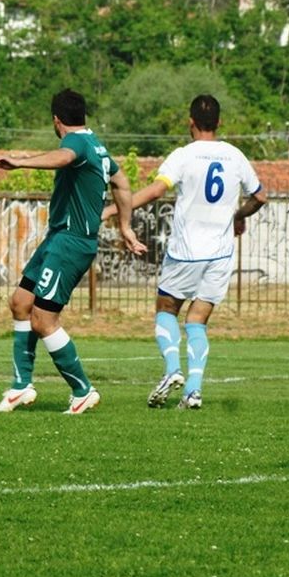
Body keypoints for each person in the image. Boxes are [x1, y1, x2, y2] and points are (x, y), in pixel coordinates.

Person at [102, 94, 268, 410]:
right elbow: (260, 197)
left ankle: (172, 370)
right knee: (197, 321)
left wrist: (114, 209)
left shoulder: (184, 155)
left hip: (186, 251)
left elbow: (156, 190)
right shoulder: (235, 156)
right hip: (220, 254)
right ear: (219, 123)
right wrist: (238, 216)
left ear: (190, 122)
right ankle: (193, 391)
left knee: (166, 310)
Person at [0, 88, 145, 415]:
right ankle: (20, 387)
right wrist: (126, 227)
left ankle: (82, 390)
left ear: (57, 121)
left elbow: (65, 157)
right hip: (58, 238)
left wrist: (19, 162)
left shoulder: (75, 143)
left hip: (70, 242)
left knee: (44, 320)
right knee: (20, 303)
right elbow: (123, 183)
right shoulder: (97, 145)